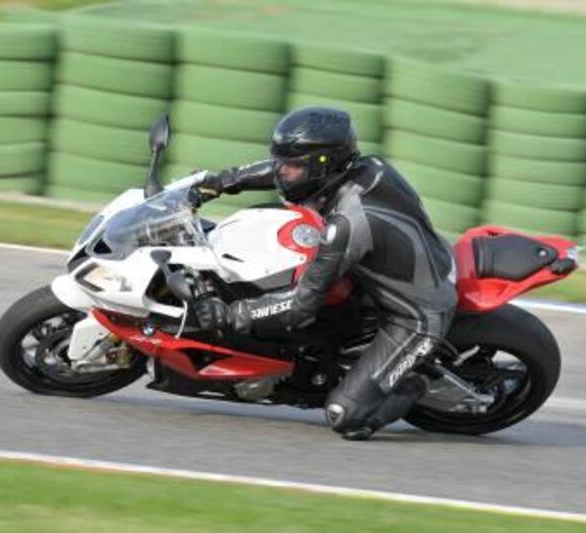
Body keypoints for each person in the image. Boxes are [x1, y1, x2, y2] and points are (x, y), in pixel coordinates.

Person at [192, 107, 457, 440]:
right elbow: (278, 172)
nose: (283, 174)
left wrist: (233, 314)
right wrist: (220, 182)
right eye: (281, 163)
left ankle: (415, 382)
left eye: (293, 167)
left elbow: (302, 306)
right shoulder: (367, 167)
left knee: (345, 418)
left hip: (415, 316)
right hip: (393, 270)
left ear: (324, 165)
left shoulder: (347, 225)